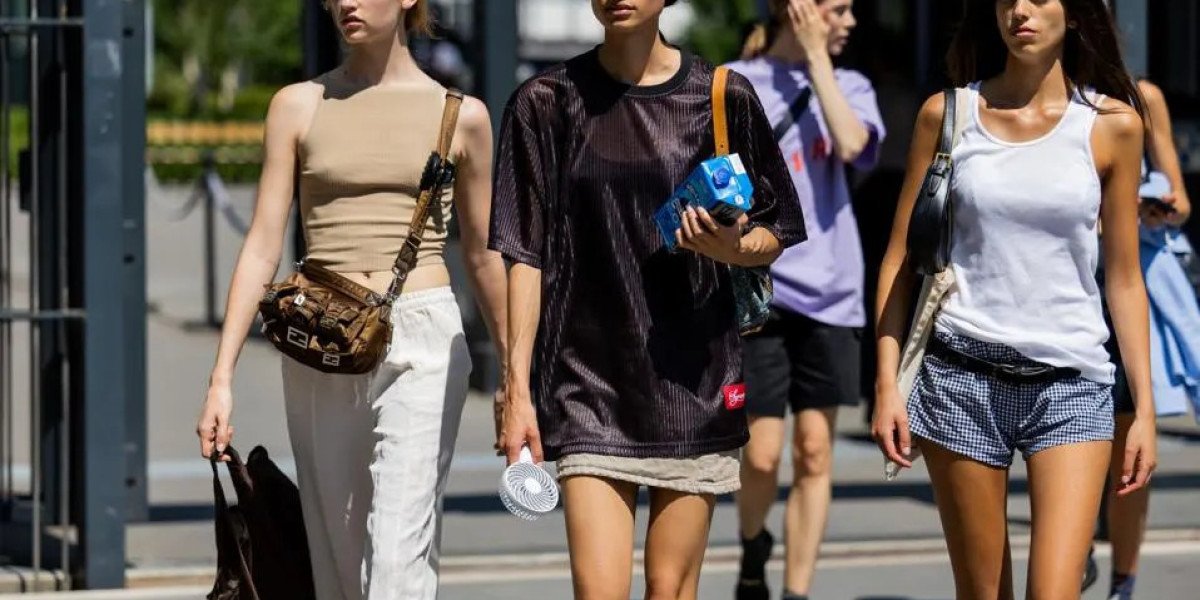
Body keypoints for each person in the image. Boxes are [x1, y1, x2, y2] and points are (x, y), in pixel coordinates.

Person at [491, 1, 807, 597]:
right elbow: (522, 254)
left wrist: (731, 246)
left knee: (670, 587)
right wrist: (515, 389)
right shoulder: (545, 103)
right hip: (586, 380)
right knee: (599, 590)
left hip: (692, 378)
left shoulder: (722, 95)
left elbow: (777, 228)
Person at [194, 1, 507, 598]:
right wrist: (221, 377)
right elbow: (262, 244)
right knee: (336, 567)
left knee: (395, 560)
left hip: (422, 340)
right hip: (320, 340)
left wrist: (518, 377)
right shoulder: (298, 105)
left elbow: (484, 253)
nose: (346, 3)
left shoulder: (461, 116)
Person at [872, 1, 1157, 599]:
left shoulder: (1113, 125)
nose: (1018, 10)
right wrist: (886, 384)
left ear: (1076, 15)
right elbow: (900, 257)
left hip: (1071, 382)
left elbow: (1125, 279)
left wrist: (1145, 414)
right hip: (960, 377)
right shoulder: (947, 114)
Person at [724, 1, 885, 599]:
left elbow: (852, 145)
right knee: (762, 455)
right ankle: (751, 550)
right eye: (838, 8)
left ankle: (796, 592)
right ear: (798, 7)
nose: (850, 20)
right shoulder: (737, 83)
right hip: (759, 289)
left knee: (815, 450)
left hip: (832, 290)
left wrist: (817, 56)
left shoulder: (851, 85)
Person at [1085, 77, 1194, 600]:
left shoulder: (1144, 96)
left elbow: (1180, 197)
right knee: (1076, 436)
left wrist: (1162, 208)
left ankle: (1122, 584)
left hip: (1128, 288)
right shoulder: (1045, 95)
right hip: (1073, 289)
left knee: (1130, 448)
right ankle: (1077, 544)